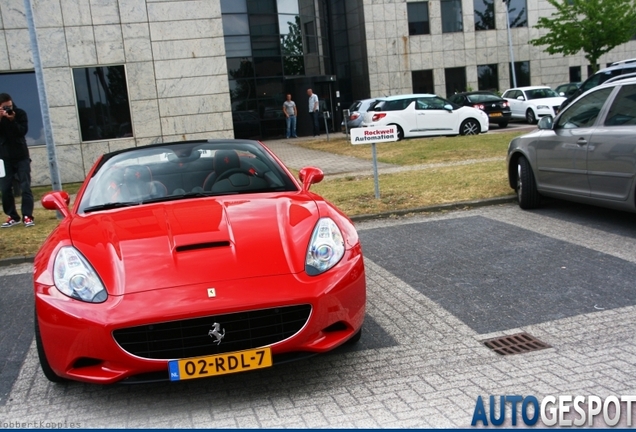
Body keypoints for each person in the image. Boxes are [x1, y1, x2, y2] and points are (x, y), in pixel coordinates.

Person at [0, 93, 34, 227]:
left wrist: (12, 120)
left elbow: (22, 132)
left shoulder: (19, 114)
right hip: (3, 157)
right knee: (5, 188)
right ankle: (12, 216)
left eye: (10, 106)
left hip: (21, 156)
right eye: (4, 107)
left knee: (25, 186)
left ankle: (27, 215)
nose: (8, 109)